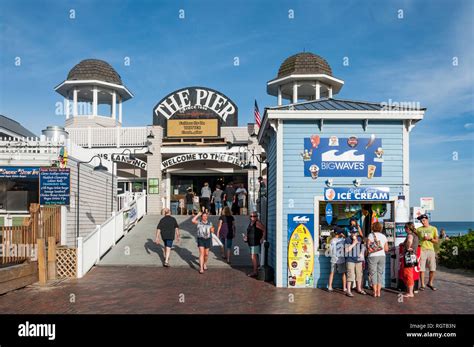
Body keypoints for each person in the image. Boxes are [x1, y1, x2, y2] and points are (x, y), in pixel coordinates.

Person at [416, 214, 439, 291]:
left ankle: (430, 283)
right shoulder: (418, 229)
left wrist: (430, 239)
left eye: (424, 220)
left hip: (431, 250)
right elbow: (414, 237)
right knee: (422, 268)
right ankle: (422, 284)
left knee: (432, 268)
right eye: (421, 221)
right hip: (421, 250)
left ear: (427, 220)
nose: (422, 222)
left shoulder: (433, 229)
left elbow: (436, 241)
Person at [366, 222, 389, 297]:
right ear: (380, 228)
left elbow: (368, 246)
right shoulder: (384, 236)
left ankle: (374, 292)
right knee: (380, 273)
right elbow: (386, 249)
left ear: (373, 227)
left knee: (373, 273)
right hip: (382, 256)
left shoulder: (370, 235)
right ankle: (379, 292)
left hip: (372, 256)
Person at [344, 227, 366, 297]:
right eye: (353, 232)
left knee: (359, 275)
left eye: (355, 232)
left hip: (358, 260)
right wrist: (354, 243)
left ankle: (359, 288)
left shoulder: (359, 238)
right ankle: (348, 291)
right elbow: (346, 250)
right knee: (350, 275)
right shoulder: (347, 239)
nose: (354, 234)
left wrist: (361, 253)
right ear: (350, 233)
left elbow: (362, 247)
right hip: (350, 259)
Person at [402, 222, 420, 298]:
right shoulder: (415, 235)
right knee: (409, 273)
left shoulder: (410, 235)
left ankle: (410, 292)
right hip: (413, 256)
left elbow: (409, 241)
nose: (404, 229)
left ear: (408, 228)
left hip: (409, 255)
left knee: (408, 274)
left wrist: (407, 247)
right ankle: (410, 291)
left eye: (405, 228)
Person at [245, 212, 266, 277]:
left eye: (254, 216)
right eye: (251, 216)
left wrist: (262, 238)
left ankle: (255, 272)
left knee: (253, 256)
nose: (252, 217)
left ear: (257, 217)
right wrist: (246, 238)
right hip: (250, 242)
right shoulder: (251, 223)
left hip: (255, 242)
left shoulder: (257, 223)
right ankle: (256, 270)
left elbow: (264, 229)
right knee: (253, 256)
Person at [327, 227, 347, 292]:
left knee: (332, 273)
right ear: (339, 233)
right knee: (343, 273)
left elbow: (330, 250)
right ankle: (344, 288)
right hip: (341, 259)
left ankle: (330, 287)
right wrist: (345, 236)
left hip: (333, 258)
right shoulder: (343, 240)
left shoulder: (332, 240)